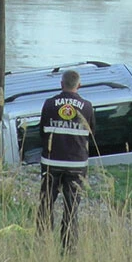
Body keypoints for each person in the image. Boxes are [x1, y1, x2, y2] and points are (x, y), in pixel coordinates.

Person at [37, 69, 96, 249]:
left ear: (61, 84)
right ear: (79, 85)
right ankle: (68, 247)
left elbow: (42, 132)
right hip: (77, 164)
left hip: (51, 162)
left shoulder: (49, 104)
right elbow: (91, 135)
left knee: (46, 202)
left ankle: (42, 242)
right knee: (71, 208)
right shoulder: (87, 107)